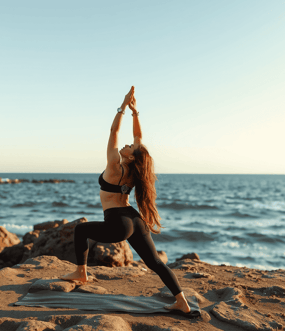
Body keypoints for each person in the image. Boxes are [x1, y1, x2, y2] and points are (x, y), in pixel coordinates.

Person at [61, 86, 192, 315]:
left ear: (130, 156)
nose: (127, 145)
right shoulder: (134, 170)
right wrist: (135, 112)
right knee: (156, 263)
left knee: (81, 230)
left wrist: (121, 107)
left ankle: (81, 272)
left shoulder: (115, 165)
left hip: (118, 223)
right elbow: (138, 138)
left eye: (129, 147)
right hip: (134, 219)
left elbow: (113, 132)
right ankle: (182, 301)